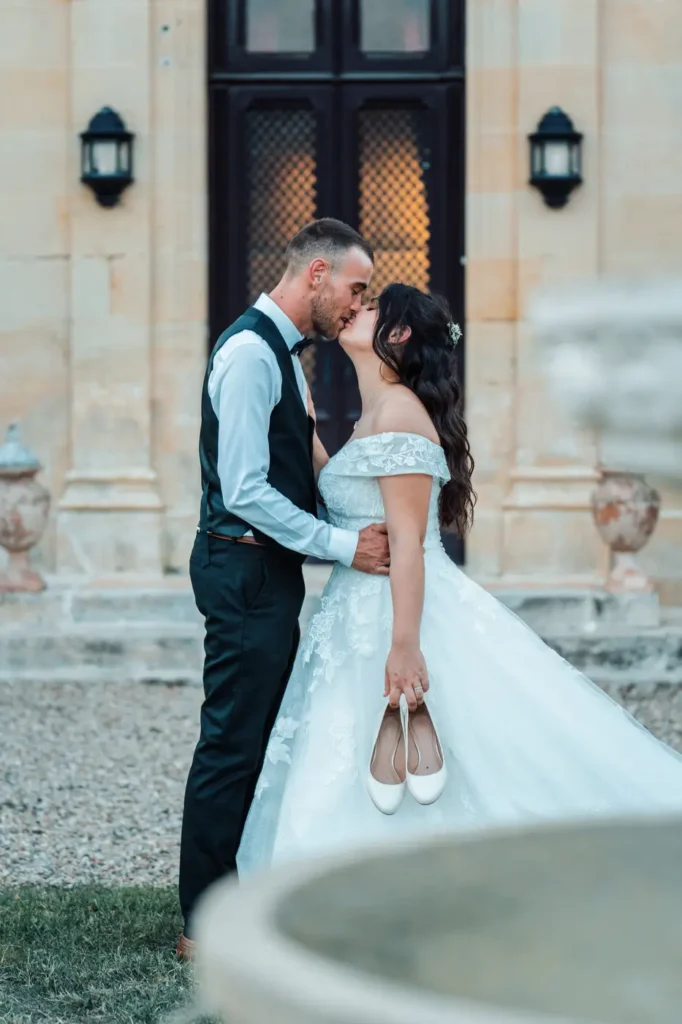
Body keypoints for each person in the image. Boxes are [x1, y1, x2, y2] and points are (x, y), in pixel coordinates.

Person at [238, 282, 682, 875]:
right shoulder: (377, 411)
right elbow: (350, 499)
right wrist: (312, 436)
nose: (353, 310)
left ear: (396, 334)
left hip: (395, 611)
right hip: (354, 608)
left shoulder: (399, 414)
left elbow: (409, 544)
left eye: (369, 308)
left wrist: (403, 646)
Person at [178, 219, 391, 957]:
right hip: (241, 567)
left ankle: (247, 894)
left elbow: (303, 458)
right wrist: (344, 547)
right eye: (356, 289)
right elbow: (245, 489)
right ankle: (204, 921)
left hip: (268, 570)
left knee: (262, 734)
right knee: (232, 742)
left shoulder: (286, 354)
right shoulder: (248, 354)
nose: (358, 304)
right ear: (317, 274)